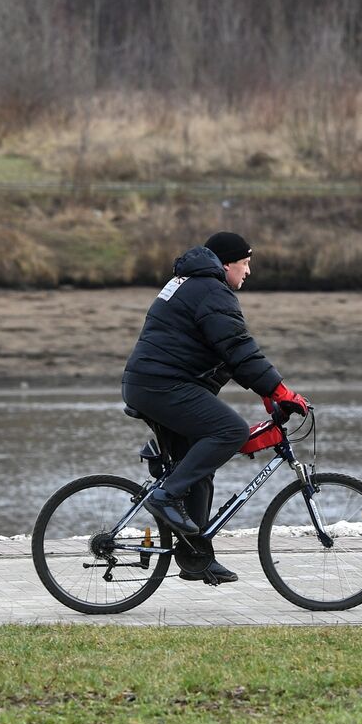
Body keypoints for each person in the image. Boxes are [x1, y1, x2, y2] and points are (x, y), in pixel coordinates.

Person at [121, 231, 310, 584]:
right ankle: (164, 497)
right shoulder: (211, 291)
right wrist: (280, 389)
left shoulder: (191, 284)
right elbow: (239, 348)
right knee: (230, 431)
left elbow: (229, 355)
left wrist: (268, 393)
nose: (248, 272)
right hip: (162, 386)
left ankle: (197, 558)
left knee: (200, 465)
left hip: (152, 384)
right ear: (226, 264)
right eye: (245, 264)